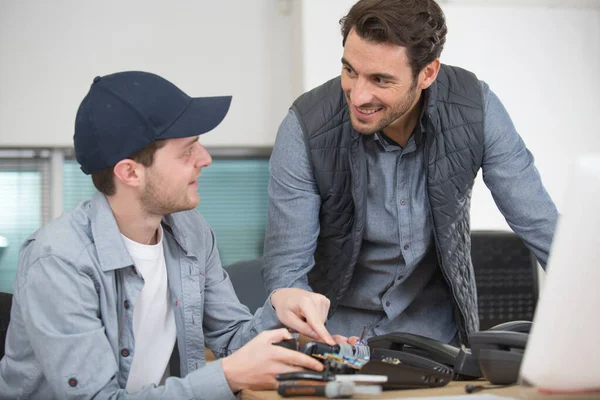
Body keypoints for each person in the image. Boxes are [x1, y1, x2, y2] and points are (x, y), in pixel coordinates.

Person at [0, 71, 336, 399]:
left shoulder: (190, 231)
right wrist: (228, 376)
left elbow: (233, 338)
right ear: (130, 172)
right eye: (187, 150)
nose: (205, 159)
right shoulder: (58, 262)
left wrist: (283, 307)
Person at [262, 0, 558, 346]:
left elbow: (543, 228)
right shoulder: (305, 127)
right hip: (335, 342)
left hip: (439, 345)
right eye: (350, 70)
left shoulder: (475, 110)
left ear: (428, 73)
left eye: (380, 80)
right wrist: (311, 335)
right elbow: (286, 272)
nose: (358, 95)